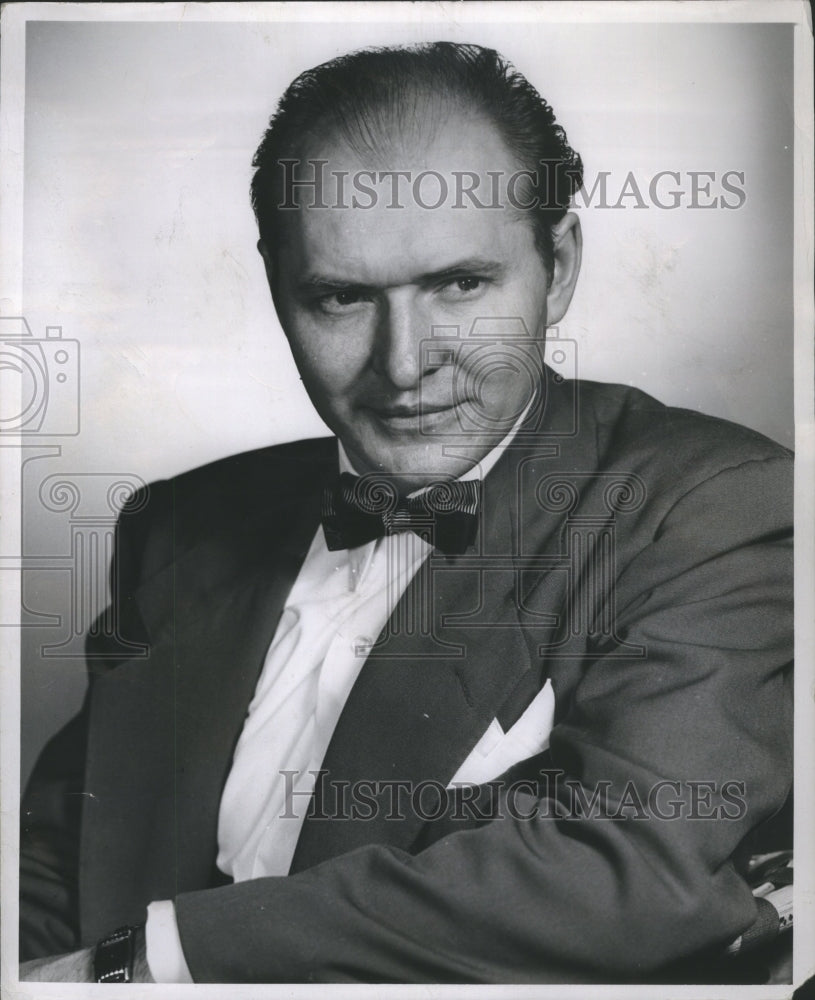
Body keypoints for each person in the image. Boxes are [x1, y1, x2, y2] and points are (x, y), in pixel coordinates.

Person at [19, 41, 793, 984]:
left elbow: (627, 872)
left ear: (558, 263)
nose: (401, 365)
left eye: (460, 285)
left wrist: (152, 961)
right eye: (341, 298)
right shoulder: (181, 522)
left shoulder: (715, 504)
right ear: (275, 286)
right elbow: (60, 866)